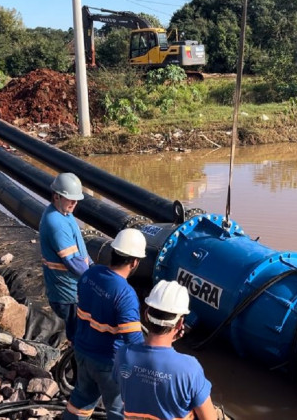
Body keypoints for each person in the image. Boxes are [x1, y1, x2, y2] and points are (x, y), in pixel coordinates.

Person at [64, 228, 147, 420]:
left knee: (81, 399)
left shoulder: (90, 274)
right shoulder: (125, 295)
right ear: (135, 262)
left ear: (113, 252)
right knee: (119, 412)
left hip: (82, 353)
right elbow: (133, 341)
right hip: (108, 364)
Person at [114, 280, 217, 420]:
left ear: (146, 315)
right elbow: (209, 418)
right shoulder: (189, 368)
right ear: (180, 323)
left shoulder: (123, 354)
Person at [39, 172, 93, 342]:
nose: (75, 203)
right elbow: (73, 262)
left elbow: (80, 251)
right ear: (56, 196)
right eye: (71, 200)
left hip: (73, 289)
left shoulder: (65, 214)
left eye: (77, 200)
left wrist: (94, 265)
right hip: (68, 293)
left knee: (81, 334)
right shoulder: (56, 223)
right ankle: (78, 365)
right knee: (79, 338)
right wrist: (96, 279)